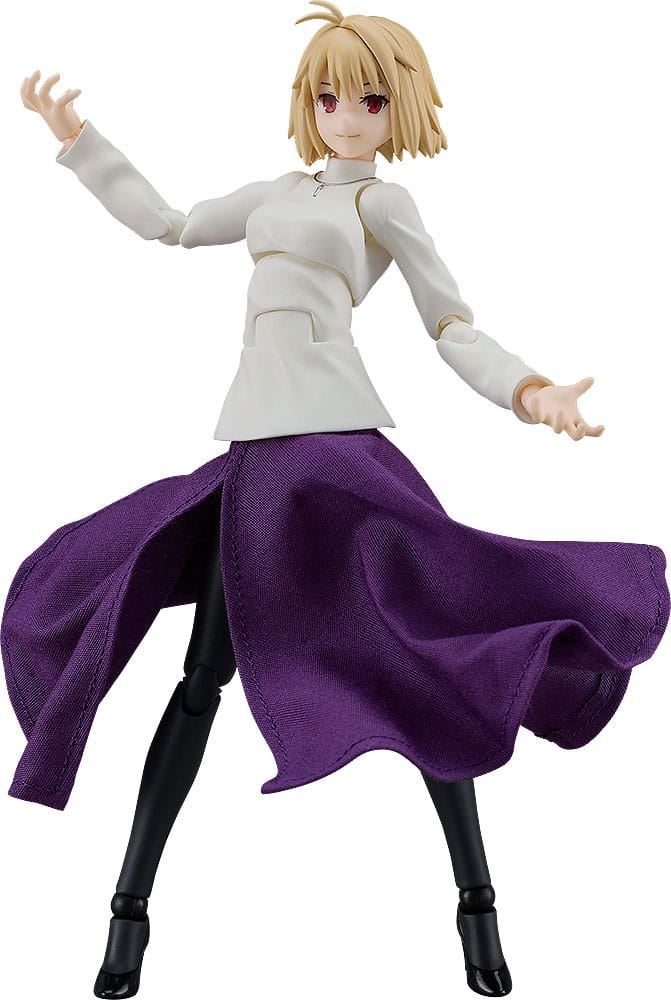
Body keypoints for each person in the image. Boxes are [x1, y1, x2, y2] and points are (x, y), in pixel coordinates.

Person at [6, 3, 668, 997]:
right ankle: (128, 914)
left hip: (336, 450)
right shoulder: (273, 194)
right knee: (200, 679)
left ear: (396, 108)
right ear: (305, 103)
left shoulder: (382, 205)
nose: (345, 116)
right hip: (255, 456)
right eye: (326, 97)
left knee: (424, 663)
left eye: (367, 100)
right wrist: (81, 143)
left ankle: (477, 906)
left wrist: (530, 392)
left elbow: (449, 324)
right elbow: (171, 224)